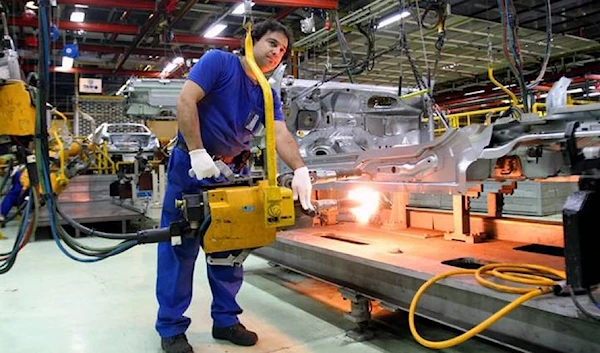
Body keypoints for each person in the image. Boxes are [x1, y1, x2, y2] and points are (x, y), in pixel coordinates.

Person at [156, 19, 314, 353]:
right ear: (251, 41)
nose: (276, 53)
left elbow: (280, 134)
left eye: (282, 50)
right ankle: (171, 327)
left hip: (227, 175)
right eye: (272, 43)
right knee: (178, 251)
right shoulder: (219, 63)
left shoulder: (266, 93)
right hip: (190, 169)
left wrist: (300, 169)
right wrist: (198, 152)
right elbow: (185, 101)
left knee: (228, 250)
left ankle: (226, 320)